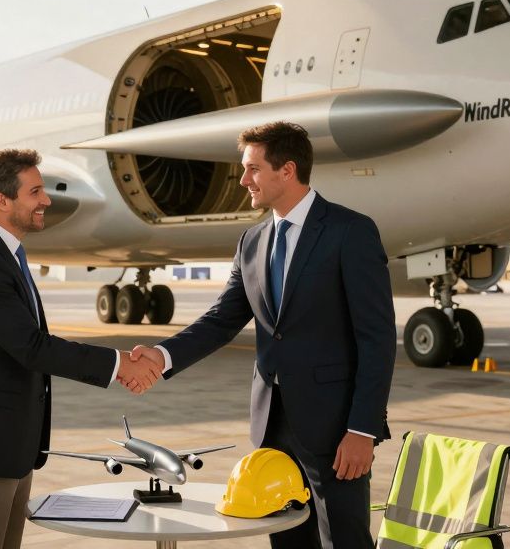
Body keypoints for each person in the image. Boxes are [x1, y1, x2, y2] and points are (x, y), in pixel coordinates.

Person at [130, 122, 395, 549]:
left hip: (336, 429)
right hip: (272, 425)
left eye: (252, 169)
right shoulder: (252, 241)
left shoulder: (350, 232)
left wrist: (362, 429)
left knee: (344, 541)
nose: (242, 179)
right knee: (287, 541)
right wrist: (162, 357)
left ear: (286, 170)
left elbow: (377, 339)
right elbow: (222, 319)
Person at [0, 149, 161, 549]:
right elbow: (32, 348)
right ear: (2, 200)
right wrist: (118, 363)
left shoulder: (5, 255)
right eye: (35, 191)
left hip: (9, 446)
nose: (47, 200)